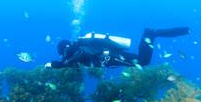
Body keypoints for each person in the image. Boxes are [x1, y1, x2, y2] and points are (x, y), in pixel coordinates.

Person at [46, 27, 190, 69]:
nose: (63, 56)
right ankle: (150, 35)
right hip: (112, 57)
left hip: (113, 57)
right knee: (142, 61)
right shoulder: (77, 50)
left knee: (142, 61)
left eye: (62, 53)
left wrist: (52, 64)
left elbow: (69, 61)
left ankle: (150, 34)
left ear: (65, 48)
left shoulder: (77, 50)